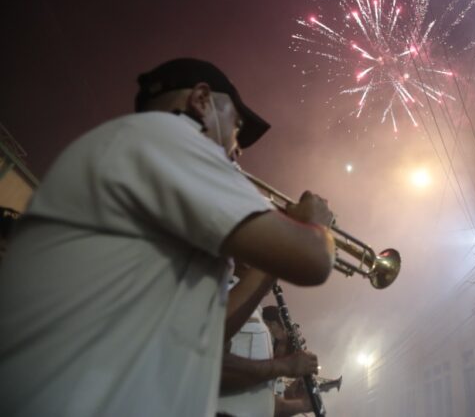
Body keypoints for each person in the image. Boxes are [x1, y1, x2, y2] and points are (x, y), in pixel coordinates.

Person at [0, 58, 336, 417]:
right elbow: (313, 259)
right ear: (201, 100)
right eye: (236, 127)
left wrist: (275, 257)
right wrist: (314, 226)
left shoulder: (139, 162)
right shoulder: (165, 136)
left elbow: (203, 340)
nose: (238, 149)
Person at [217, 269, 317, 417]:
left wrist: (299, 403)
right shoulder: (226, 294)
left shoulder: (254, 312)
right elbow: (210, 365)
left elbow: (259, 405)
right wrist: (285, 366)